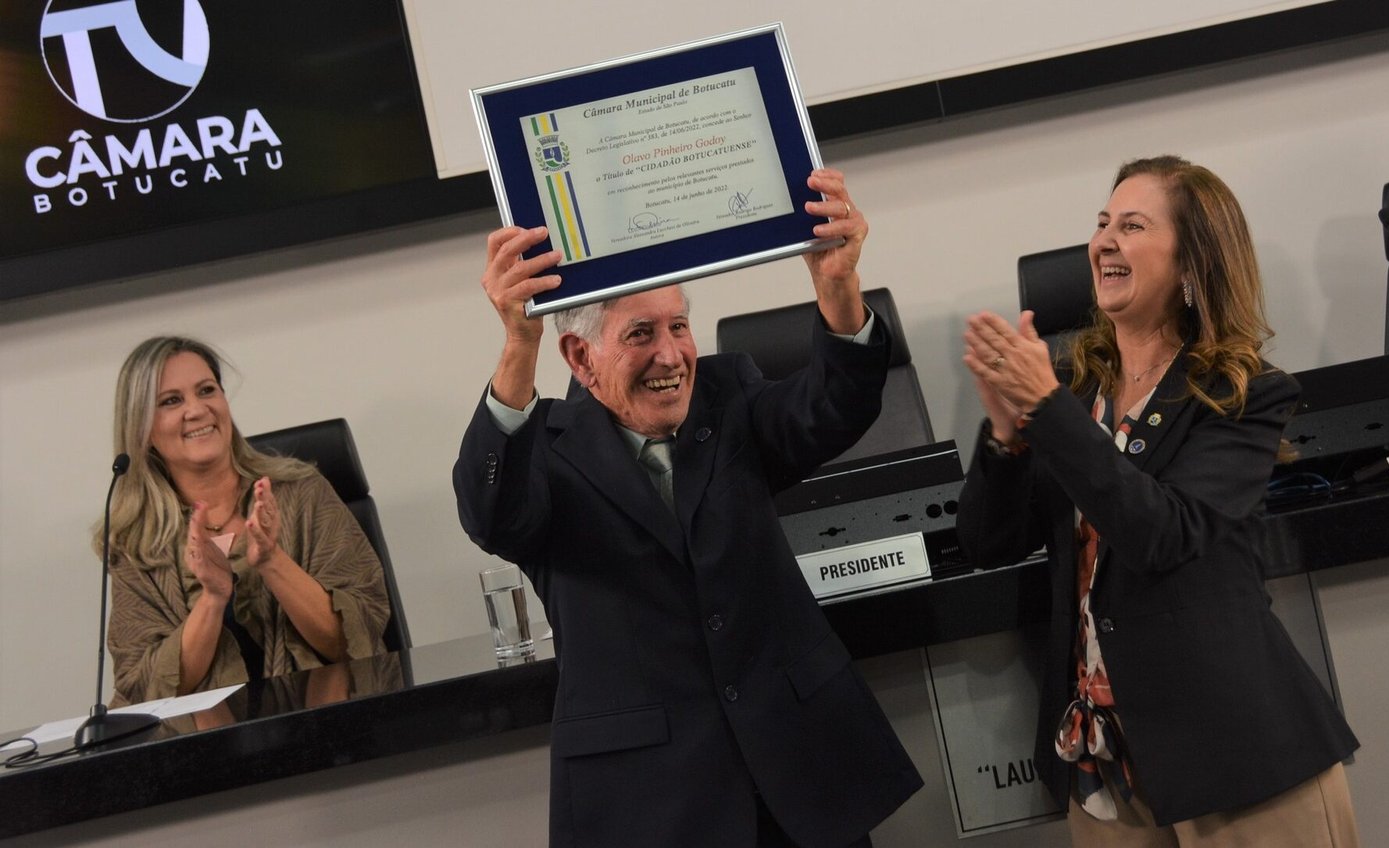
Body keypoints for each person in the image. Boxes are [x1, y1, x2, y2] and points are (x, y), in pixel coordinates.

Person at [454, 168, 920, 848]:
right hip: (654, 803)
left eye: (679, 325)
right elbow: (491, 515)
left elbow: (834, 406)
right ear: (581, 357)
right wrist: (518, 342)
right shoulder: (544, 453)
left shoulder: (729, 398)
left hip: (796, 780)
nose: (671, 354)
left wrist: (837, 286)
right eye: (640, 334)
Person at [957, 156, 1359, 845]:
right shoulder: (1075, 390)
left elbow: (1160, 534)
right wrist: (1003, 433)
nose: (1103, 240)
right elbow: (987, 543)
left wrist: (1047, 411)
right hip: (1105, 770)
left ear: (1192, 264)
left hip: (1235, 762)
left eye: (1132, 225)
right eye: (1102, 223)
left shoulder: (1243, 394)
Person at [99, 337, 390, 706]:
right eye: (171, 401)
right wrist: (213, 598)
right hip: (207, 752)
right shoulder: (137, 542)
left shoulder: (302, 493)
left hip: (327, 730)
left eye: (207, 391)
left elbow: (357, 637)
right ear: (141, 429)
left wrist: (271, 560)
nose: (197, 410)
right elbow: (145, 688)